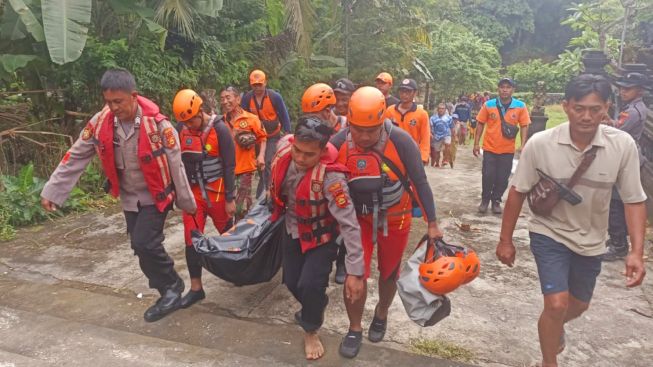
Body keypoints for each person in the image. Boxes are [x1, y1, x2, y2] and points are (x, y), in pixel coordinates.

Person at [497, 74, 647, 367]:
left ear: (607, 107)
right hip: (548, 230)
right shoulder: (541, 144)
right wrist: (506, 241)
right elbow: (517, 192)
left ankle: (554, 328)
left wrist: (636, 252)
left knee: (578, 304)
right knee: (556, 304)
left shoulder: (623, 146)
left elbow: (634, 199)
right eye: (579, 108)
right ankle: (548, 361)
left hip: (592, 238)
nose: (587, 117)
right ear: (565, 107)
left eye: (595, 109)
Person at [40, 68, 197, 322]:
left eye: (119, 102)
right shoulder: (101, 123)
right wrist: (53, 191)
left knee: (144, 242)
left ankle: (172, 287)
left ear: (133, 96)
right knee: (140, 246)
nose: (113, 107)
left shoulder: (158, 125)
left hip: (156, 196)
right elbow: (77, 154)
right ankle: (167, 288)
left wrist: (187, 202)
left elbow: (176, 165)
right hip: (129, 198)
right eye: (109, 102)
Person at [330, 87, 443, 358]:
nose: (366, 136)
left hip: (396, 218)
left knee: (389, 273)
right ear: (350, 121)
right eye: (359, 130)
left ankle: (381, 312)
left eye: (373, 130)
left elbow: (420, 181)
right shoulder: (338, 141)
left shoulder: (402, 141)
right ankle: (354, 327)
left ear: (383, 121)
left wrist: (433, 222)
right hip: (358, 221)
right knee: (354, 276)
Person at [269, 115, 365, 360]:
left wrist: (356, 271)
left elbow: (350, 224)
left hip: (321, 239)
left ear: (322, 151)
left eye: (308, 155)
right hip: (291, 230)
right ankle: (315, 304)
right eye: (297, 151)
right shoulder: (282, 153)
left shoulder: (332, 179)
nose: (300, 159)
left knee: (311, 284)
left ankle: (310, 329)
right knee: (291, 282)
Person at [172, 89, 237, 308]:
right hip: (194, 196)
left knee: (228, 239)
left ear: (200, 111)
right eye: (185, 122)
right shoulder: (181, 129)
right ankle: (196, 288)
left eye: (191, 120)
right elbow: (176, 163)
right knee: (191, 241)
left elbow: (229, 165)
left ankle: (237, 273)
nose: (189, 125)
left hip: (217, 193)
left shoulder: (220, 129)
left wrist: (230, 198)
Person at [601, 72, 651, 261]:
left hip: (625, 158)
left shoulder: (633, 111)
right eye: (621, 88)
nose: (623, 91)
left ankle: (618, 245)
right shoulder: (633, 108)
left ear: (638, 91)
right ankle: (618, 239)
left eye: (627, 88)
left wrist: (606, 122)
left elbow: (617, 131)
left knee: (616, 202)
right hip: (627, 157)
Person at [473, 78, 530, 214]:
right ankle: (485, 200)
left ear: (513, 90)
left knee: (503, 177)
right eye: (502, 87)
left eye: (508, 87)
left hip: (507, 150)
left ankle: (496, 201)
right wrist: (476, 143)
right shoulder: (488, 105)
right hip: (490, 148)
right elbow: (480, 123)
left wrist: (523, 145)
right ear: (498, 89)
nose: (505, 89)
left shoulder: (520, 106)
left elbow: (524, 125)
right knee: (487, 175)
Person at [241, 70, 291, 198]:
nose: (257, 87)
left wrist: (287, 133)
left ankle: (267, 192)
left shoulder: (275, 97)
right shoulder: (247, 98)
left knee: (268, 161)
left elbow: (284, 115)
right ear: (251, 85)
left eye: (260, 84)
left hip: (273, 136)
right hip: (256, 137)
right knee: (260, 164)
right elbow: (243, 117)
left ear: (265, 83)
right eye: (255, 85)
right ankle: (264, 189)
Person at [221, 86, 267, 221]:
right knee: (227, 206)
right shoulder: (220, 122)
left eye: (228, 97)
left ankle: (243, 234)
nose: (225, 101)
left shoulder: (251, 119)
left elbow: (262, 138)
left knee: (242, 207)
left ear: (238, 99)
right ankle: (230, 234)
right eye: (222, 99)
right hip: (226, 171)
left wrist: (261, 155)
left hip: (245, 169)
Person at [332, 77, 357, 284]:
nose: (340, 103)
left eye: (345, 98)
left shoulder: (360, 121)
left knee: (348, 222)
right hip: (330, 180)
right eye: (336, 98)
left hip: (353, 180)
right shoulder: (327, 119)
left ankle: (342, 262)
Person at [384, 78, 431, 164]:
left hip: (412, 156)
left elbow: (425, 138)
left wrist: (423, 157)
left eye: (408, 92)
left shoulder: (422, 114)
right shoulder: (390, 111)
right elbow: (383, 134)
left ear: (415, 93)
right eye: (402, 91)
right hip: (392, 156)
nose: (404, 94)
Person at [429, 103, 453, 168]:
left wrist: (454, 136)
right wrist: (431, 134)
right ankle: (437, 163)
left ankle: (445, 160)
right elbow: (430, 127)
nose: (441, 110)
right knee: (437, 151)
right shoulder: (433, 118)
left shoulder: (449, 118)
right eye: (439, 108)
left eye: (442, 109)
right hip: (437, 136)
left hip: (447, 134)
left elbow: (452, 127)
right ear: (437, 109)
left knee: (447, 145)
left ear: (445, 110)